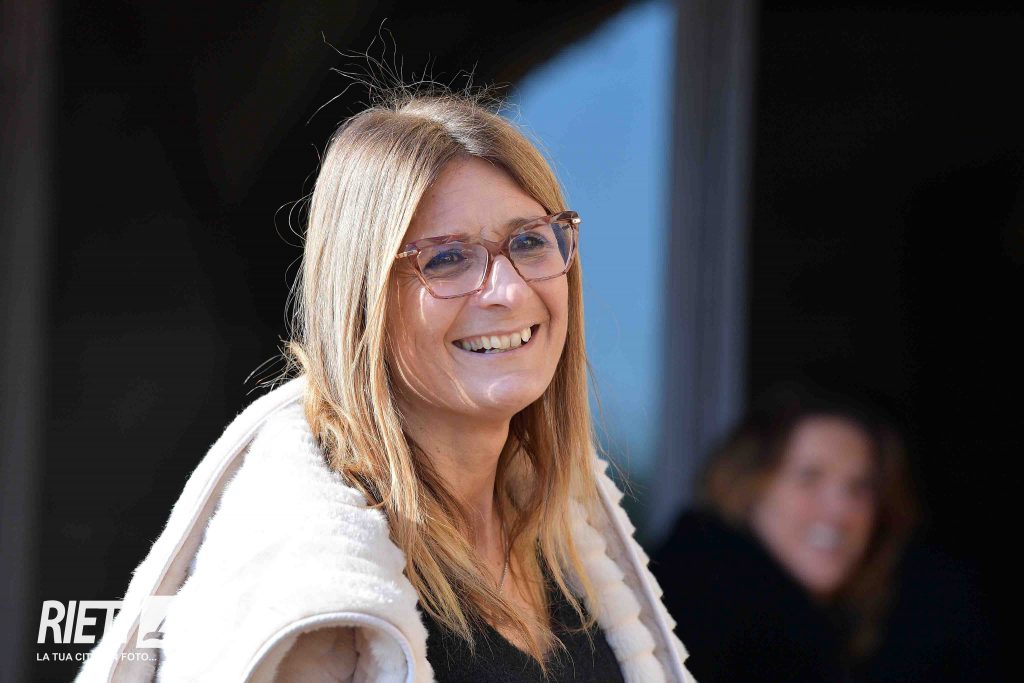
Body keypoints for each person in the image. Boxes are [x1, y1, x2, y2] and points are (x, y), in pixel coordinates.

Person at [73, 84, 697, 682]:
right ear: (362, 300)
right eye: (447, 258)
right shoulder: (304, 566)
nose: (507, 291)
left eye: (529, 242)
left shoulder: (567, 535)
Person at [653, 379, 999, 682]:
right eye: (809, 477)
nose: (840, 511)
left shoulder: (890, 620)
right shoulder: (687, 624)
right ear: (748, 485)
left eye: (859, 487)